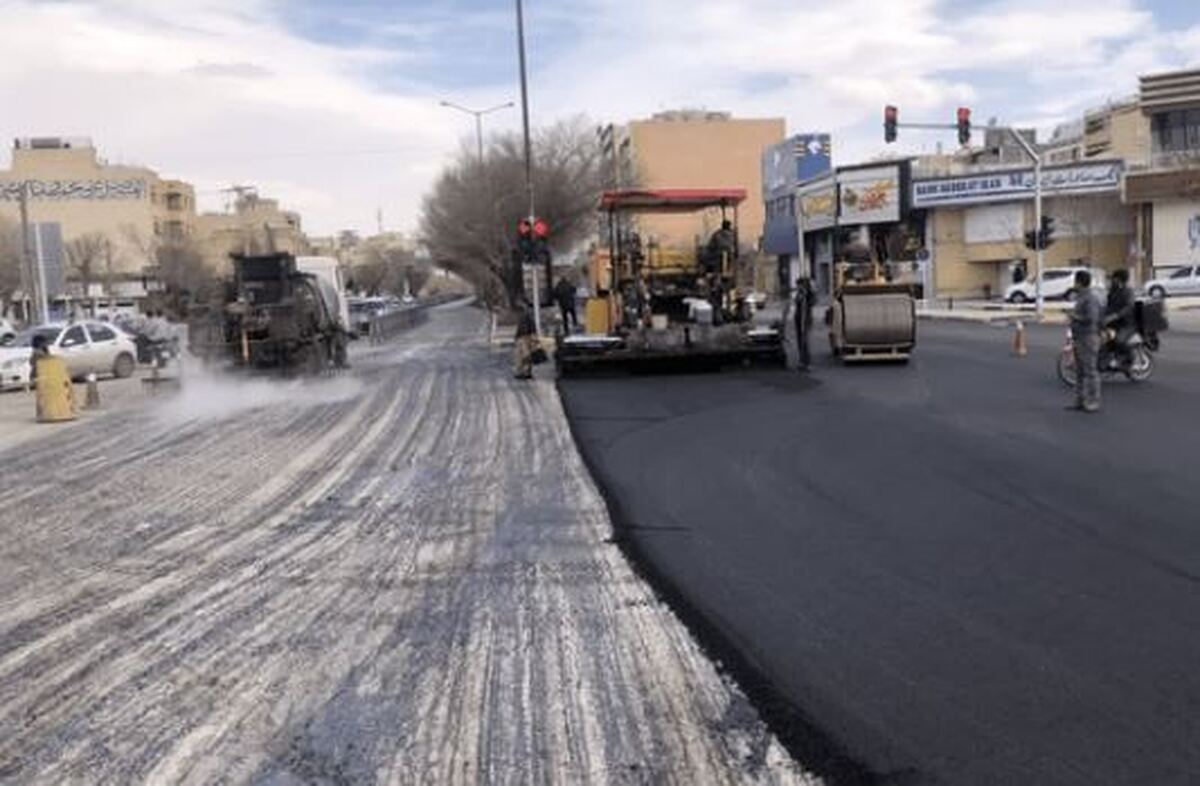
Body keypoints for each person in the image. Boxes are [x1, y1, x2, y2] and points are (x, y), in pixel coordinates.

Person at [1068, 270, 1103, 413]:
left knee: (1090, 371)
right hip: (1079, 337)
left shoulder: (1090, 298)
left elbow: (1092, 318)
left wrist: (1074, 317)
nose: (1073, 284)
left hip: (1087, 337)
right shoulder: (1081, 297)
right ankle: (1080, 401)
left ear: (1080, 282)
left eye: (1075, 281)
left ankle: (1093, 401)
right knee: (1079, 372)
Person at [1103, 269, 1136, 368]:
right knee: (1102, 337)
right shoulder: (1113, 291)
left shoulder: (1128, 291)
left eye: (1114, 278)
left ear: (1119, 279)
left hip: (1127, 323)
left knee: (1119, 340)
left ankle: (1129, 358)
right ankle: (1107, 357)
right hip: (1114, 322)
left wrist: (1115, 315)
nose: (1112, 280)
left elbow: (1129, 307)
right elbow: (1108, 306)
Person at [511, 302, 537, 380]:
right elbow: (532, 326)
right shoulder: (528, 315)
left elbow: (521, 328)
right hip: (525, 337)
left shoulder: (523, 316)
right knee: (525, 356)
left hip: (524, 337)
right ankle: (526, 372)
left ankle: (522, 372)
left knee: (522, 356)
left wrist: (516, 337)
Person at [794, 277, 815, 371]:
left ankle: (806, 362)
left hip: (805, 319)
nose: (797, 287)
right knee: (800, 340)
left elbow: (812, 302)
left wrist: (806, 295)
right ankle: (801, 360)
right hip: (799, 319)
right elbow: (797, 303)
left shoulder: (808, 294)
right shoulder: (800, 294)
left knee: (804, 341)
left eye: (798, 285)